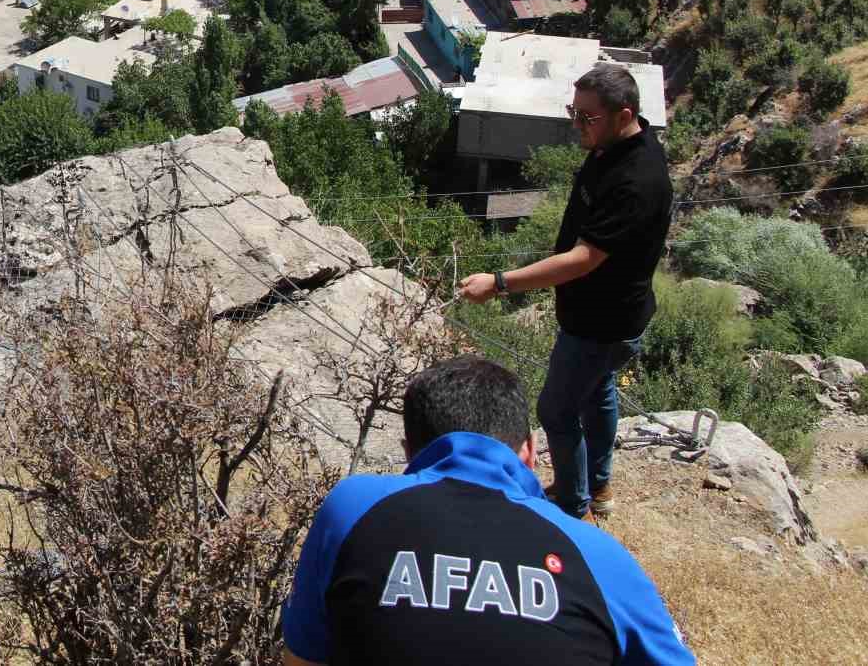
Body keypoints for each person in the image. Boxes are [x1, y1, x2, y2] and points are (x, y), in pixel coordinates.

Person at [281, 356, 693, 666]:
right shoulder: (599, 556)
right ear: (530, 451)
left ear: (409, 451)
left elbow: (302, 659)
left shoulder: (353, 507)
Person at [457, 64, 672, 520]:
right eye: (574, 112)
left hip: (602, 323)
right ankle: (599, 485)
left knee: (554, 410)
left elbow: (583, 259)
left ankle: (573, 505)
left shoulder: (636, 178)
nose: (576, 125)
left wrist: (499, 283)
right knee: (598, 394)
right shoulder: (614, 146)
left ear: (624, 114)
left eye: (587, 117)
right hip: (606, 315)